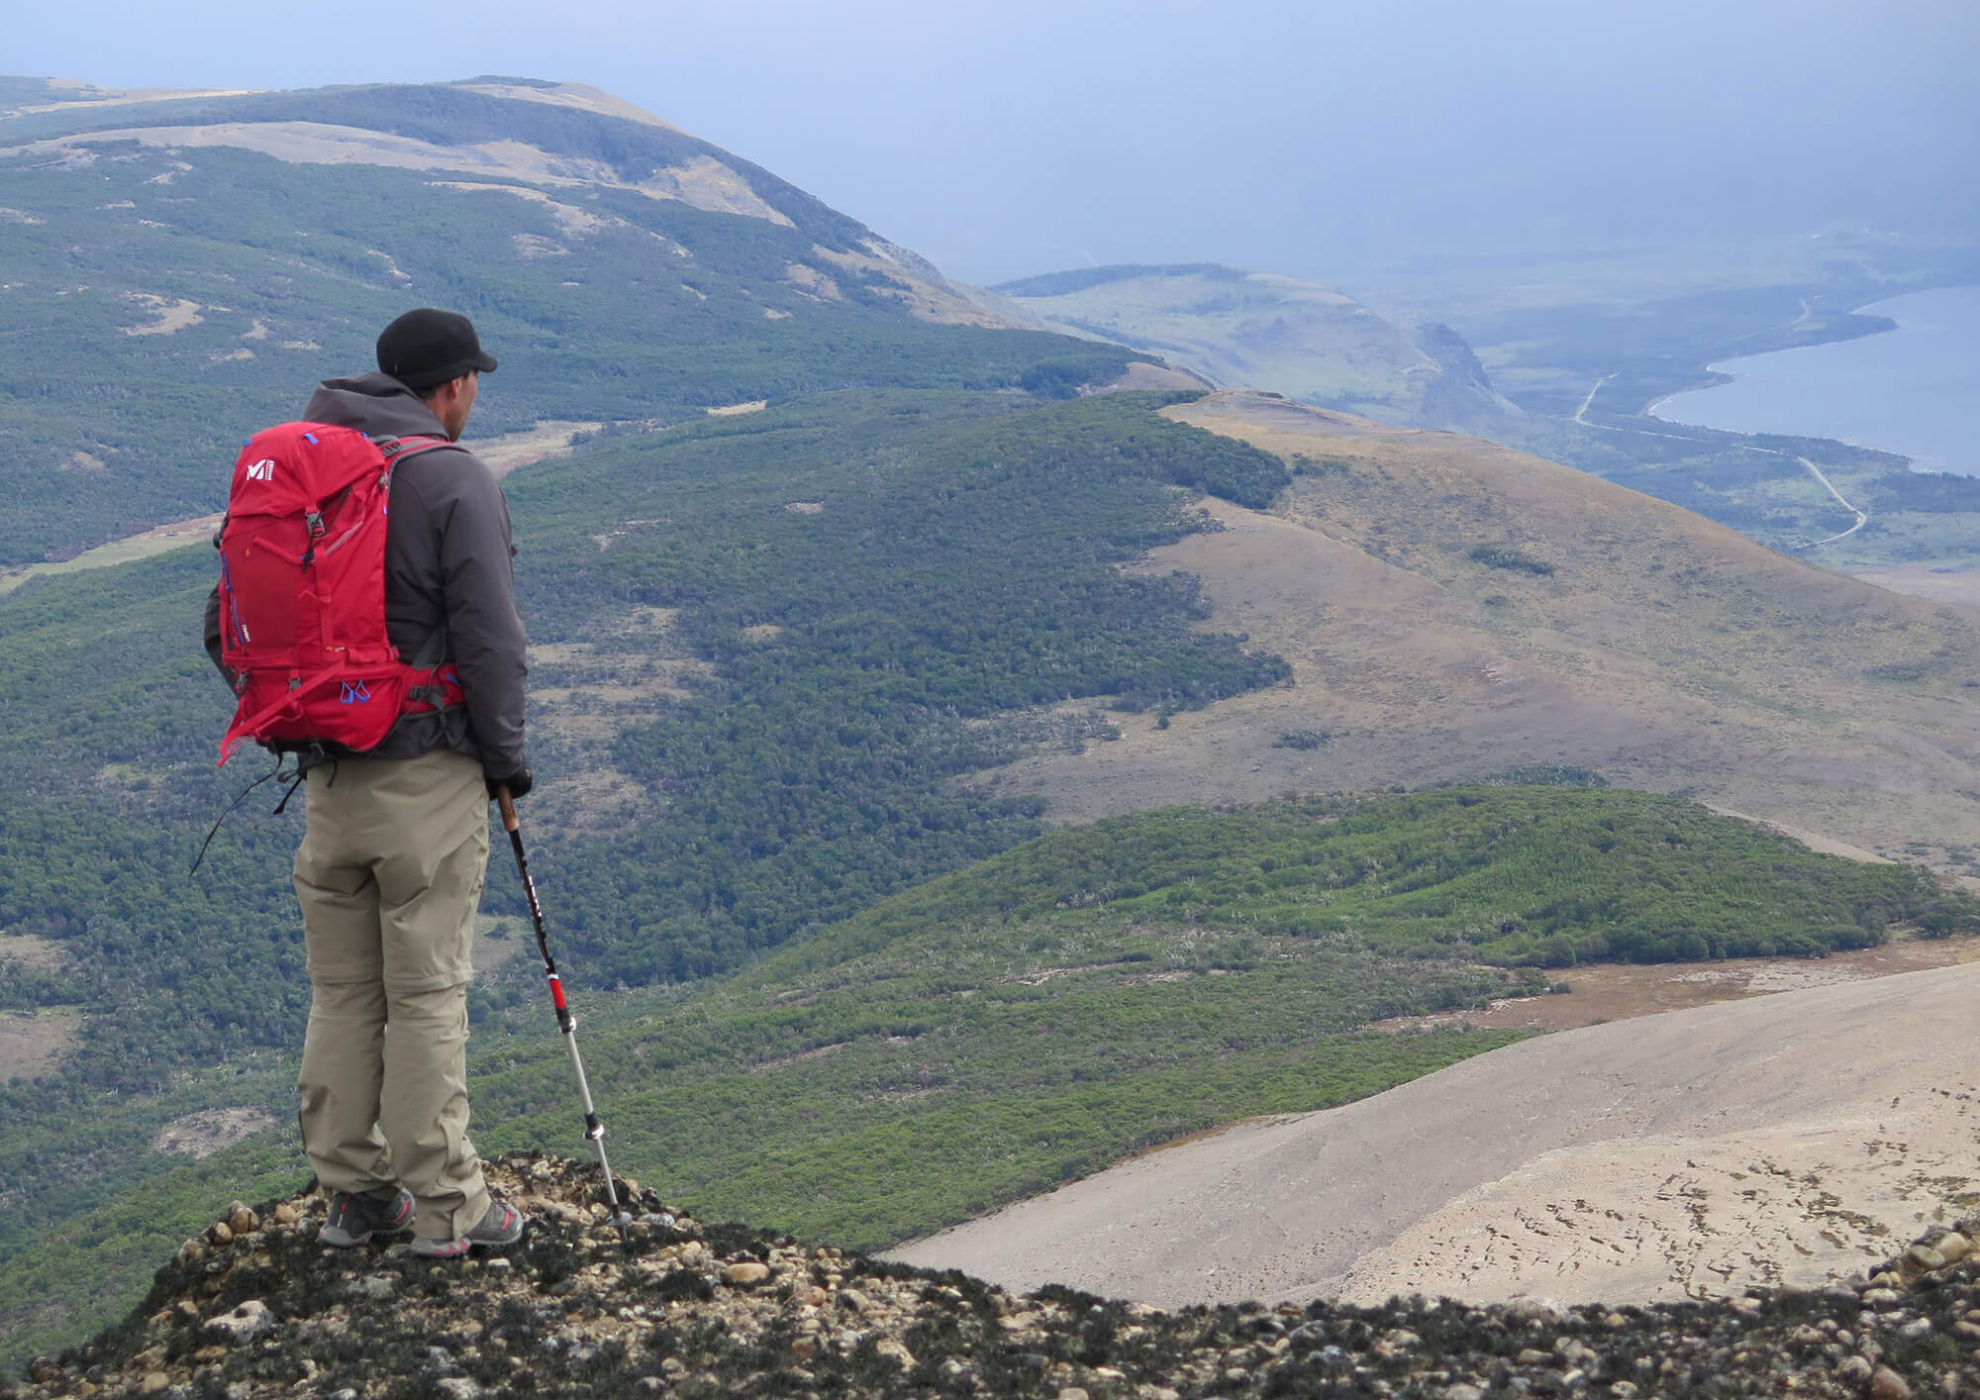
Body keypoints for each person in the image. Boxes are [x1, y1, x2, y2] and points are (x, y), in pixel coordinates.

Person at [203, 308, 533, 1257]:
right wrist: (506, 763)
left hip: (327, 783)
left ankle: (355, 1197)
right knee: (427, 995)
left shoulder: (306, 476)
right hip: (427, 780)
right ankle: (450, 1209)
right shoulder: (449, 477)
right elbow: (491, 641)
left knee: (344, 993)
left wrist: (306, 717)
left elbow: (223, 629)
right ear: (456, 386)